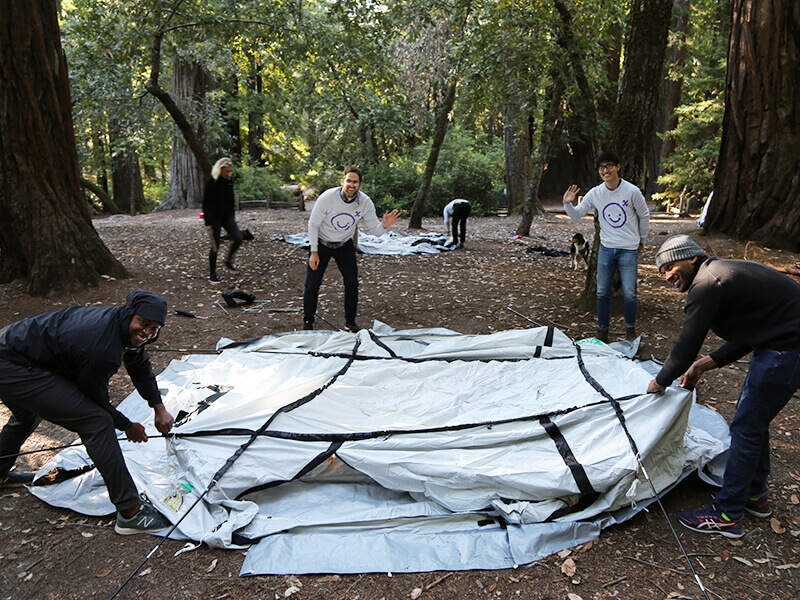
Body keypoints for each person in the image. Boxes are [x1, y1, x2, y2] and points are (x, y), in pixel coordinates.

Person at [647, 235, 800, 539]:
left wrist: (659, 381)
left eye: (670, 267)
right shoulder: (719, 275)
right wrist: (705, 364)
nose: (667, 276)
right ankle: (754, 495)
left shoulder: (708, 282)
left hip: (787, 349)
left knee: (746, 426)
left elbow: (686, 344)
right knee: (754, 422)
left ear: (691, 258)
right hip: (781, 342)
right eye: (662, 271)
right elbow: (754, 329)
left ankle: (727, 513)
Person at [0, 290, 176, 535]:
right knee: (96, 422)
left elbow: (139, 364)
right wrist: (127, 425)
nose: (147, 332)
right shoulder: (102, 348)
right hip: (12, 364)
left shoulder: (121, 326)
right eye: (143, 324)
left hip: (19, 353)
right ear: (130, 316)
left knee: (28, 413)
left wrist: (159, 407)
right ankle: (130, 512)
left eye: (155, 328)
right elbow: (95, 399)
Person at [563, 152, 650, 342]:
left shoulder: (632, 191)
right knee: (602, 292)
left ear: (618, 167)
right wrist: (567, 203)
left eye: (609, 166)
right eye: (602, 167)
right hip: (606, 248)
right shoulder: (596, 193)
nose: (605, 170)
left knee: (630, 293)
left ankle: (630, 331)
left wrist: (641, 241)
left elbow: (644, 216)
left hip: (628, 249)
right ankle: (602, 331)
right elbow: (576, 215)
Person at [304, 167, 401, 332]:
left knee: (352, 283)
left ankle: (350, 321)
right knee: (312, 284)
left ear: (360, 184)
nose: (352, 184)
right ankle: (308, 321)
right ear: (342, 181)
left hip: (344, 244)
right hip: (321, 244)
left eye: (355, 182)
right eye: (348, 180)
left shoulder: (365, 202)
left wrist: (385, 224)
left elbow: (376, 231)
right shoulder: (328, 197)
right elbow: (313, 224)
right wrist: (314, 252)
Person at [203, 157, 244, 283]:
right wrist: (208, 223)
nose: (228, 174)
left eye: (229, 171)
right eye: (226, 171)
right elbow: (206, 203)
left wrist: (232, 216)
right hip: (214, 218)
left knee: (238, 237)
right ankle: (212, 274)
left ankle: (228, 260)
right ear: (220, 169)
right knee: (215, 246)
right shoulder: (212, 182)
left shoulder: (229, 182)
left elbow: (230, 200)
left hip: (227, 217)